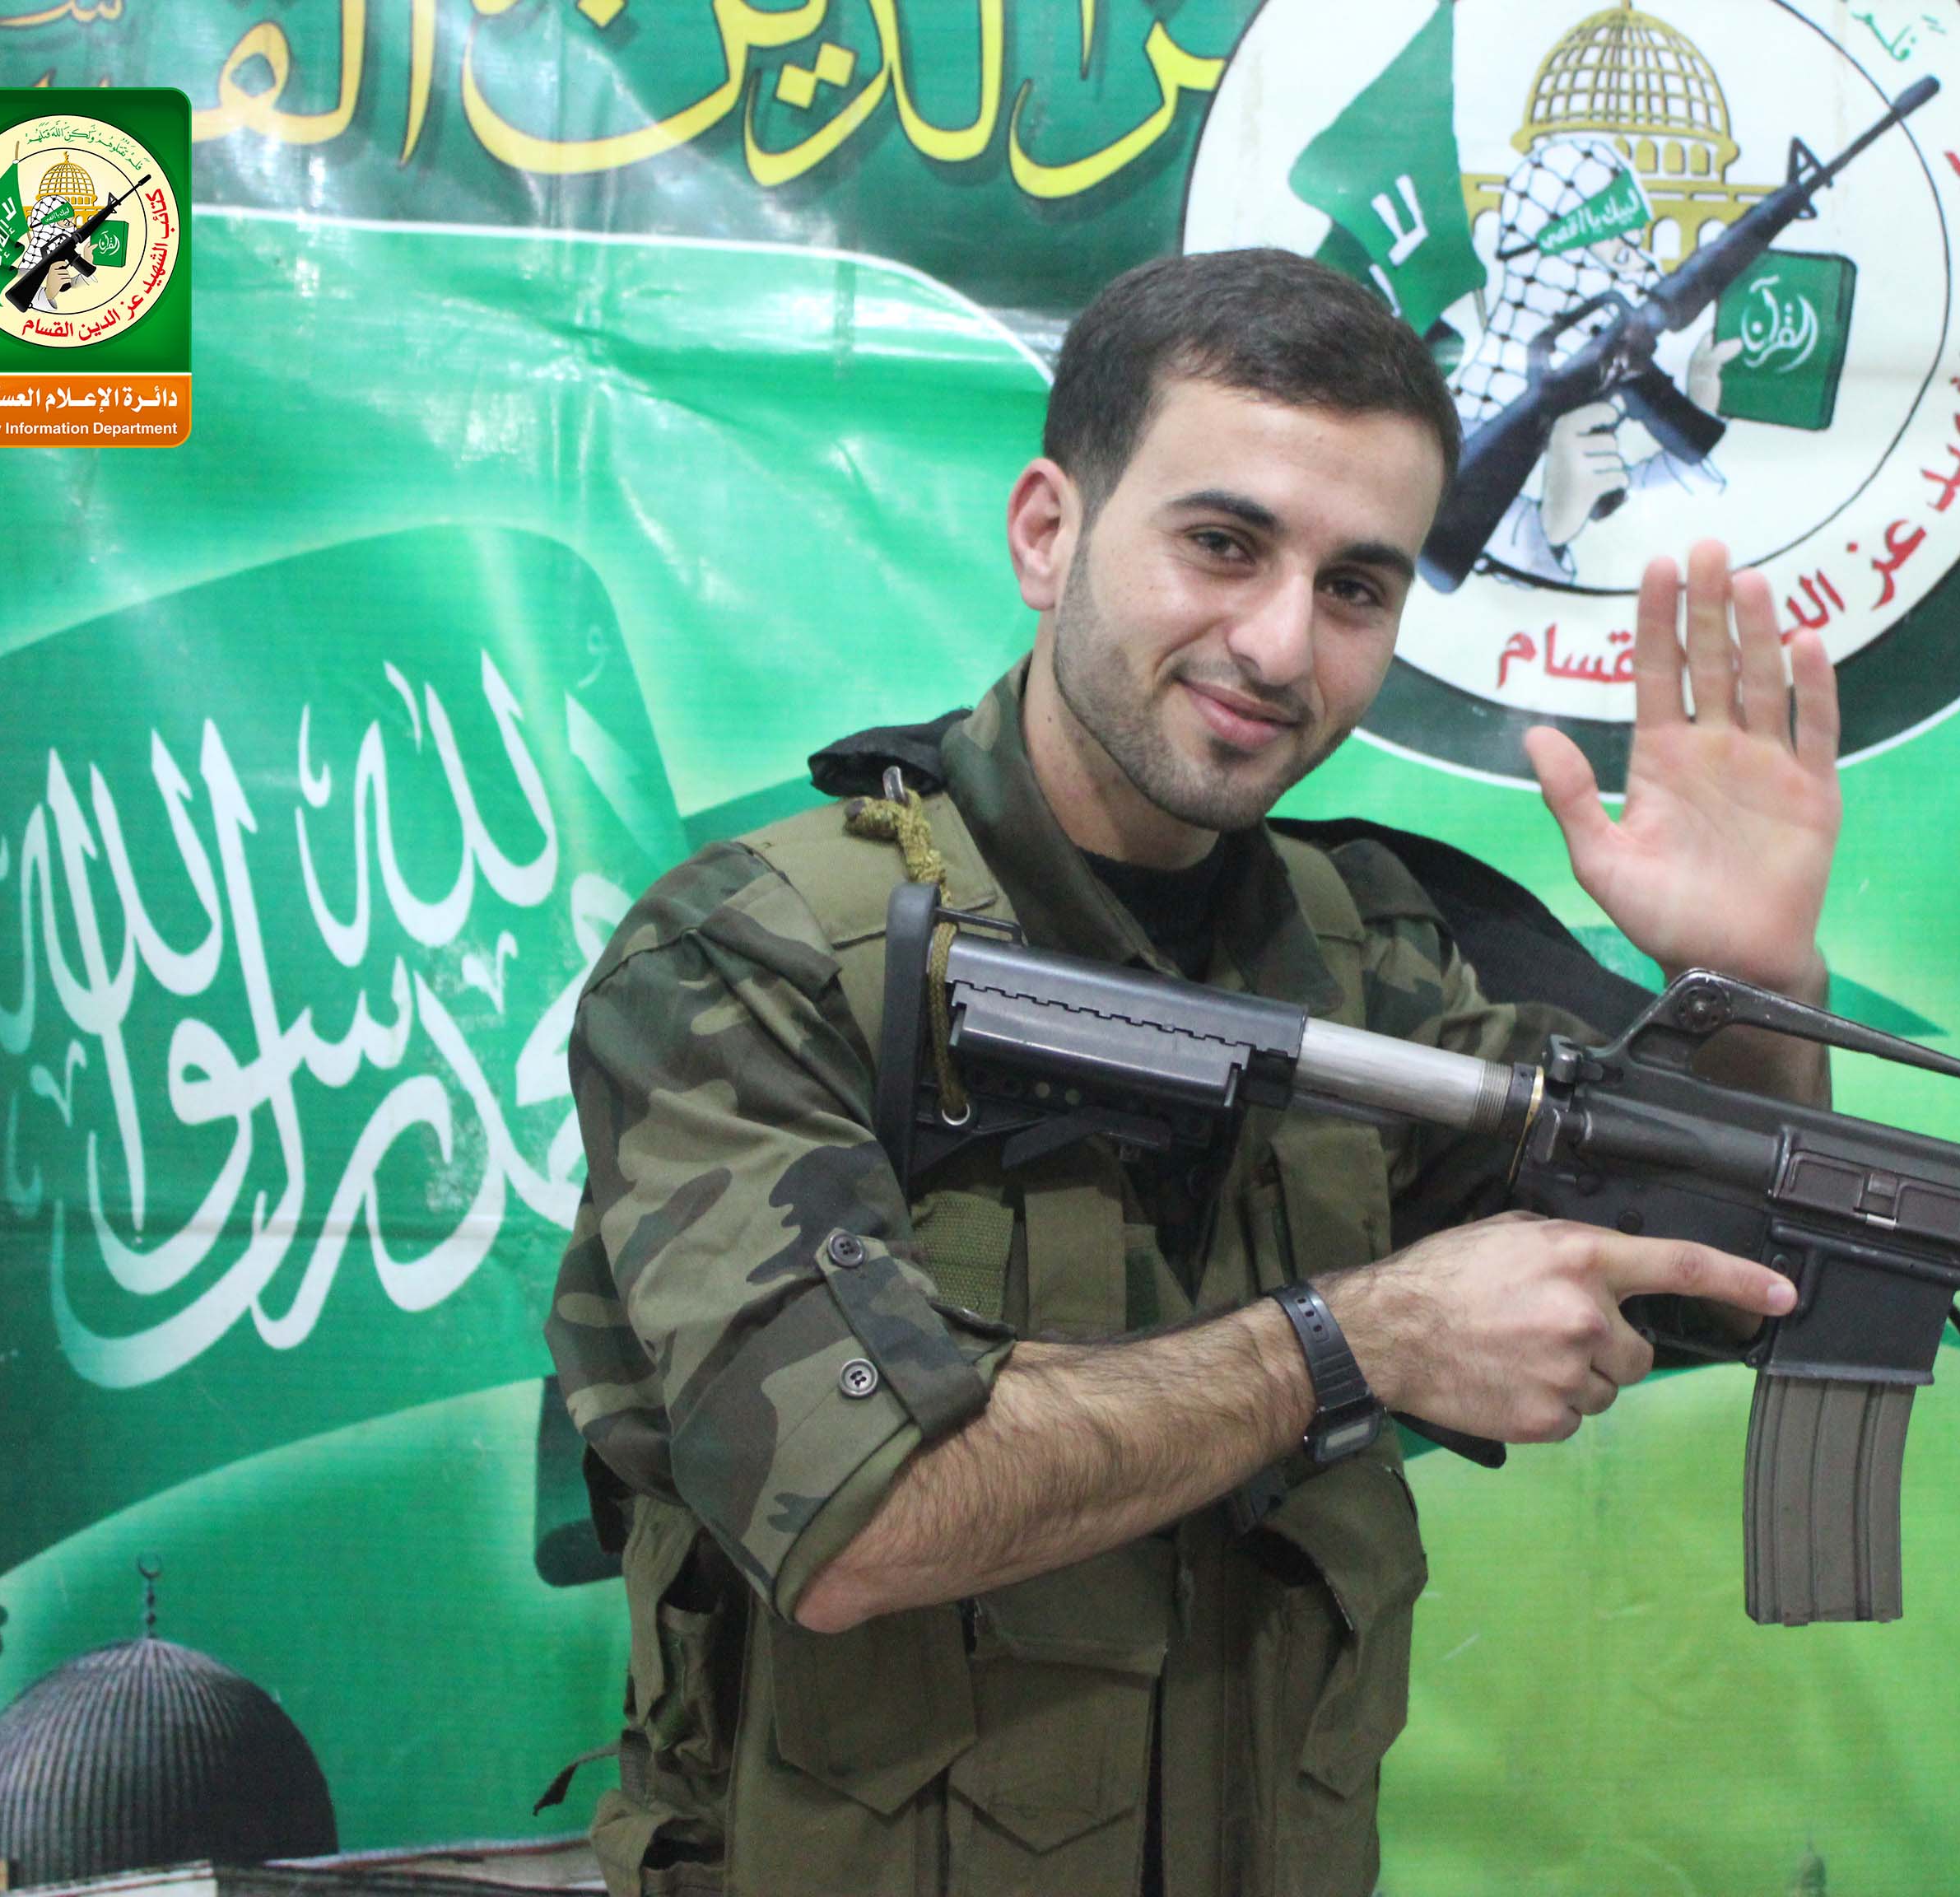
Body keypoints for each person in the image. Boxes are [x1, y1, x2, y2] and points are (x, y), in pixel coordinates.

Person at [547, 247, 1842, 1897]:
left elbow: (1739, 1277)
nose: (1282, 644)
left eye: (1356, 589)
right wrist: (1359, 1340)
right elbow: (856, 1511)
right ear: (1048, 532)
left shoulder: (1370, 958)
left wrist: (1752, 989)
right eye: (1223, 545)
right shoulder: (763, 956)